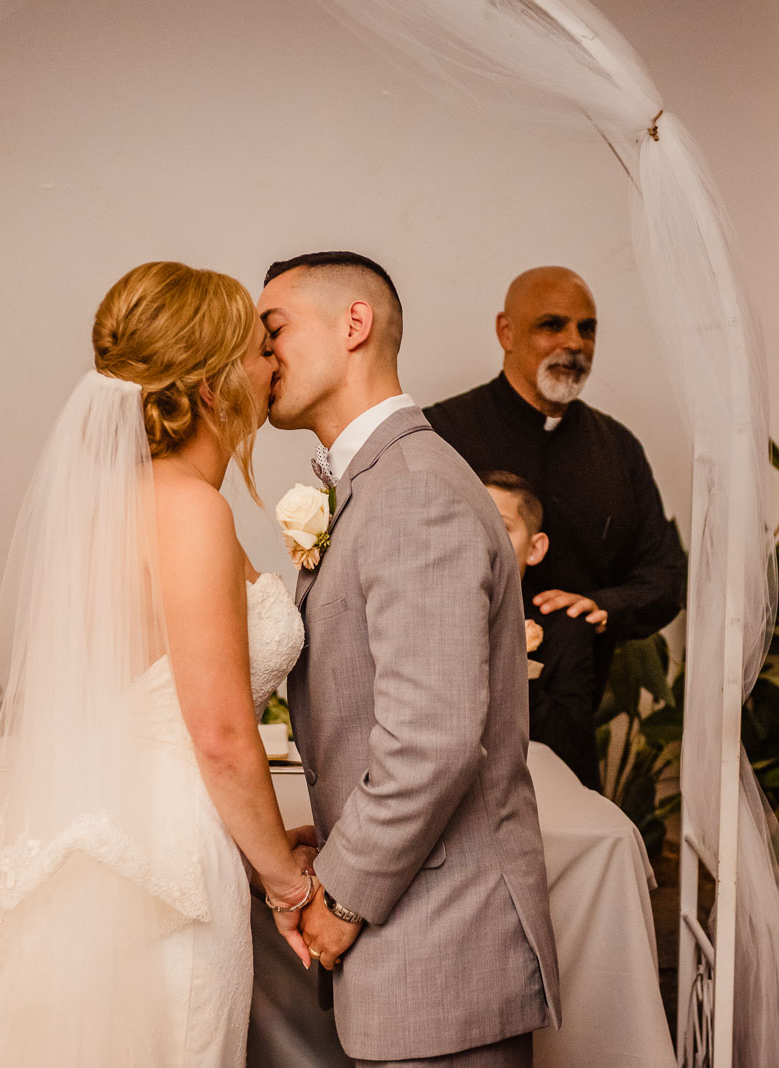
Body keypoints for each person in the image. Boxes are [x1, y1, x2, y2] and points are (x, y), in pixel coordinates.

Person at [0, 262, 313, 1067]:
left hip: (116, 841)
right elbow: (217, 734)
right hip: (169, 861)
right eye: (259, 350)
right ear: (215, 386)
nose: (273, 363)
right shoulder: (189, 509)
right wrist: (287, 883)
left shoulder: (115, 504)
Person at [262, 251, 559, 1067]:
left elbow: (430, 739)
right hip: (422, 934)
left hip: (446, 942)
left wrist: (345, 898)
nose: (260, 355)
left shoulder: (414, 489)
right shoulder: (379, 481)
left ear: (353, 324)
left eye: (274, 328)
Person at [425, 266, 685, 707]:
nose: (574, 343)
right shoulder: (441, 435)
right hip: (454, 705)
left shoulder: (617, 449)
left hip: (574, 710)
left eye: (587, 329)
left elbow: (664, 574)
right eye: (552, 326)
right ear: (506, 332)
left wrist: (604, 606)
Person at [481, 471, 601, 790]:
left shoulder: (567, 629)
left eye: (501, 527)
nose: (482, 538)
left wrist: (514, 660)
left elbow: (570, 748)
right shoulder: (429, 619)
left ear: (535, 549)